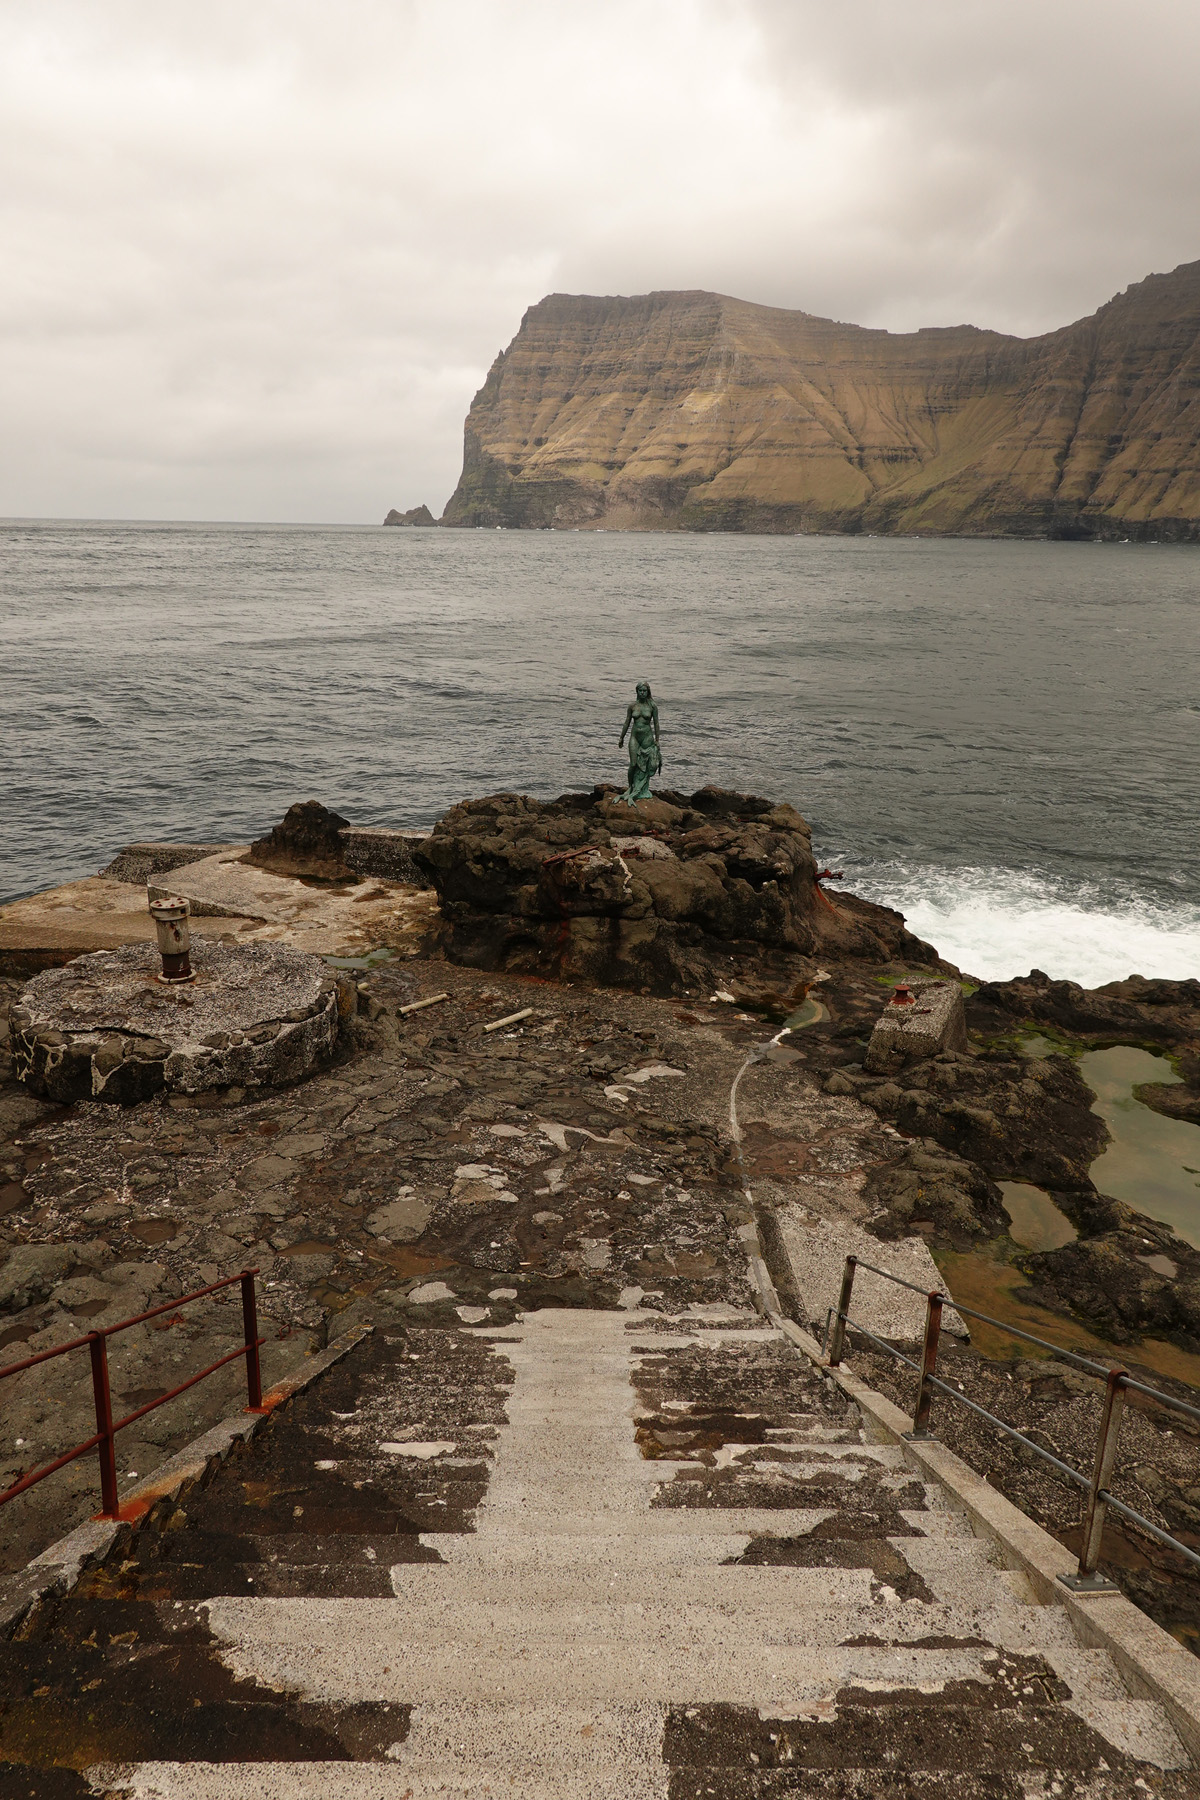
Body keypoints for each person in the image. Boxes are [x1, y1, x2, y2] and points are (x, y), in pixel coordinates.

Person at [618, 681, 662, 803]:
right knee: (633, 764)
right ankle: (631, 787)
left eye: (644, 691)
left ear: (648, 692)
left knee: (645, 766)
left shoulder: (652, 706)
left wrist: (657, 740)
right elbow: (627, 722)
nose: (642, 693)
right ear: (637, 691)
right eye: (640, 690)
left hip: (647, 737)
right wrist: (621, 737)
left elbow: (656, 723)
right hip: (635, 737)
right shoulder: (632, 706)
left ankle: (642, 789)